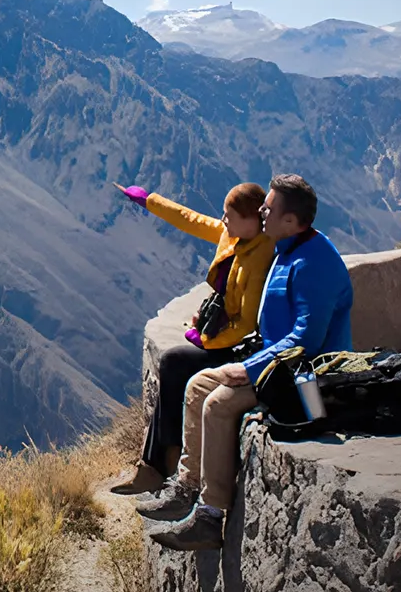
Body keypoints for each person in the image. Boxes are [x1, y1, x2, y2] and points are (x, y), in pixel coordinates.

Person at [139, 174, 354, 552]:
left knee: (219, 404)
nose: (262, 212)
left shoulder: (313, 263)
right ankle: (187, 487)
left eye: (268, 209)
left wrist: (250, 369)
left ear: (291, 220)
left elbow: (307, 340)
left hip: (304, 379)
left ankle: (210, 515)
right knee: (198, 385)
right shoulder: (286, 249)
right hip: (275, 367)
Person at [108, 181, 274, 496]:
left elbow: (247, 323)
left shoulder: (261, 255)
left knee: (175, 363)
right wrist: (149, 201)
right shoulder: (234, 235)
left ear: (253, 219)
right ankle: (156, 463)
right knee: (172, 364)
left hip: (241, 350)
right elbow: (193, 220)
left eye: (230, 215)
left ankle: (157, 464)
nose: (223, 220)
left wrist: (206, 339)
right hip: (222, 338)